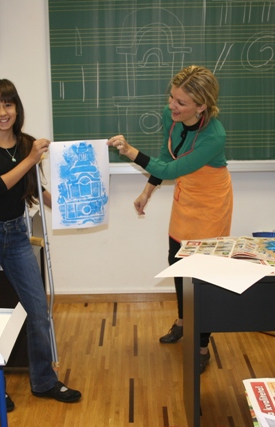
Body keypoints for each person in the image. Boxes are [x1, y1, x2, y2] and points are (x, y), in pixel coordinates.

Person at [0, 79, 81, 409]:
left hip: (16, 233)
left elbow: (33, 188)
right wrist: (30, 158)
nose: (3, 112)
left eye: (8, 104)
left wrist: (72, 211)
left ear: (17, 108)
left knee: (38, 309)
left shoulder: (25, 143)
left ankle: (44, 380)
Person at [107, 65, 233, 373]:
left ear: (201, 106)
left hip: (211, 203)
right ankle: (182, 321)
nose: (171, 106)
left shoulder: (214, 135)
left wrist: (131, 152)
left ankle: (202, 346)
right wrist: (147, 192)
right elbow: (166, 159)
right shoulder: (171, 116)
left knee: (202, 277)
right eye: (171, 97)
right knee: (177, 260)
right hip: (186, 195)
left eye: (180, 102)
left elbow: (171, 170)